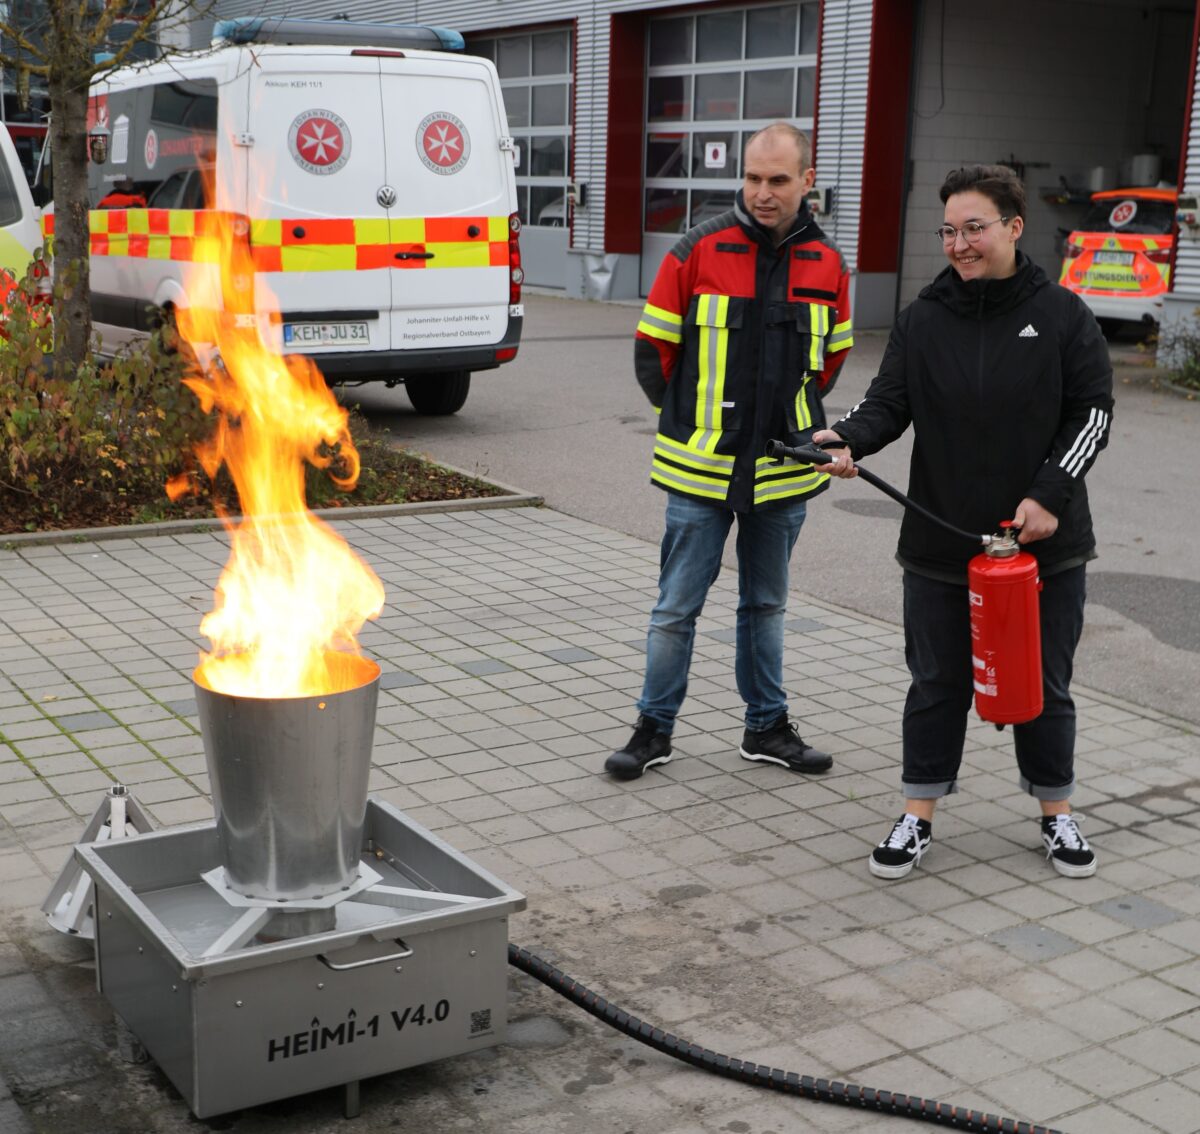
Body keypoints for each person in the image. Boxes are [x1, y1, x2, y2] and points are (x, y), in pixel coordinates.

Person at [814, 164, 1113, 880]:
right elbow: (889, 402)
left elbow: (1092, 415)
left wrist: (1049, 494)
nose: (959, 243)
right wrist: (846, 438)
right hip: (941, 542)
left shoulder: (1065, 315)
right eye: (948, 230)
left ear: (1013, 227)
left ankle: (1056, 812)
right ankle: (917, 815)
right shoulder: (923, 319)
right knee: (937, 683)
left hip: (1043, 544)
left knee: (1046, 686)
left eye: (973, 228)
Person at [605, 122, 853, 781]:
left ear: (807, 181)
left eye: (777, 180)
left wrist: (789, 422)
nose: (763, 193)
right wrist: (688, 421)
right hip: (699, 467)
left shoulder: (829, 265)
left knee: (766, 605)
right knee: (675, 608)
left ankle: (766, 728)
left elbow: (829, 363)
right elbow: (652, 352)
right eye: (752, 178)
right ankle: (651, 731)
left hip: (783, 471)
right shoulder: (697, 250)